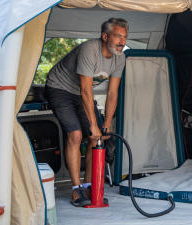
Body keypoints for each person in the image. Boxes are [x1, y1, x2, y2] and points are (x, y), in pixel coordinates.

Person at [45, 18, 128, 207]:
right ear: (105, 36)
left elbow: (113, 92)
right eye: (117, 36)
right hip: (60, 88)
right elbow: (85, 91)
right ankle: (76, 189)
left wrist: (105, 123)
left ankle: (89, 185)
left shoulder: (120, 58)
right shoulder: (89, 50)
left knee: (96, 137)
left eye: (124, 37)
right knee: (76, 134)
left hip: (80, 92)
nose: (122, 42)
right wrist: (92, 124)